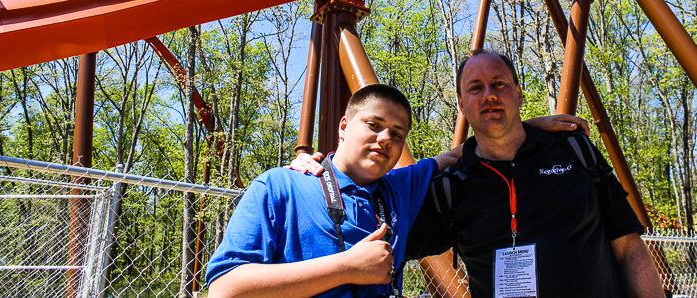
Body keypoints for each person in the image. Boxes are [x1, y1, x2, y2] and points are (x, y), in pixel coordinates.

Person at [206, 83, 584, 298]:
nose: (385, 139)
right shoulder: (279, 186)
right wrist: (347, 268)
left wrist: (525, 127)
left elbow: (458, 153)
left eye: (397, 134)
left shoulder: (400, 187)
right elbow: (225, 289)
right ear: (343, 126)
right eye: (374, 125)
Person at [404, 50, 665, 298]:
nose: (489, 95)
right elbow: (385, 239)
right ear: (461, 105)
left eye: (499, 84)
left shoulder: (574, 152)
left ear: (519, 94)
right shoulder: (450, 189)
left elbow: (629, 247)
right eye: (475, 88)